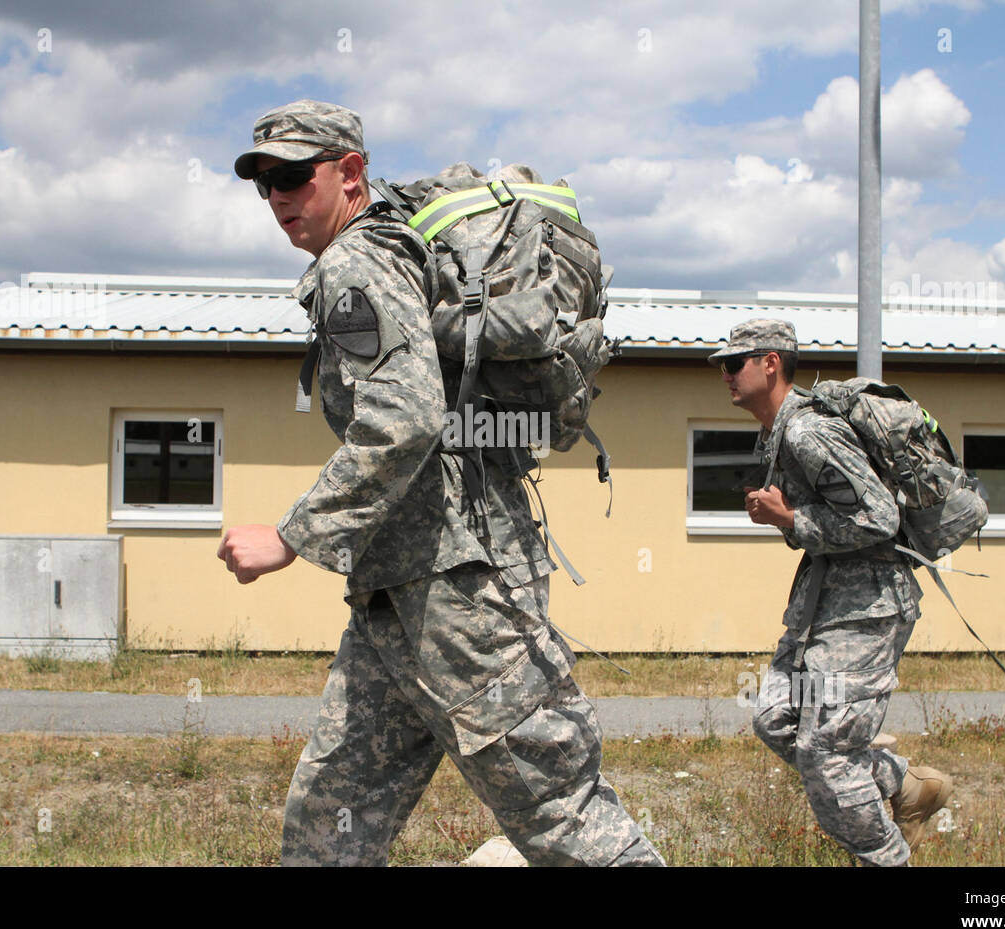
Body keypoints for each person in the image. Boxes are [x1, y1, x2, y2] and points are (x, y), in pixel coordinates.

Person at [217, 100, 663, 867]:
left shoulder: (357, 261)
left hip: (461, 599)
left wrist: (291, 536)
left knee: (562, 817)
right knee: (329, 828)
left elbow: (405, 418)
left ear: (349, 172)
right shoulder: (390, 253)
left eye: (293, 176)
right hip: (400, 592)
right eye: (263, 183)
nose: (278, 198)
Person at [712, 318, 952, 866]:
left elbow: (879, 518)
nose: (724, 375)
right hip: (823, 604)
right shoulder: (778, 431)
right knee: (775, 719)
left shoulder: (807, 431)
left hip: (866, 608)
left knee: (826, 755)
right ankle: (906, 785)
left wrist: (790, 517)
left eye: (734, 363)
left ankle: (886, 860)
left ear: (770, 363)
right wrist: (788, 520)